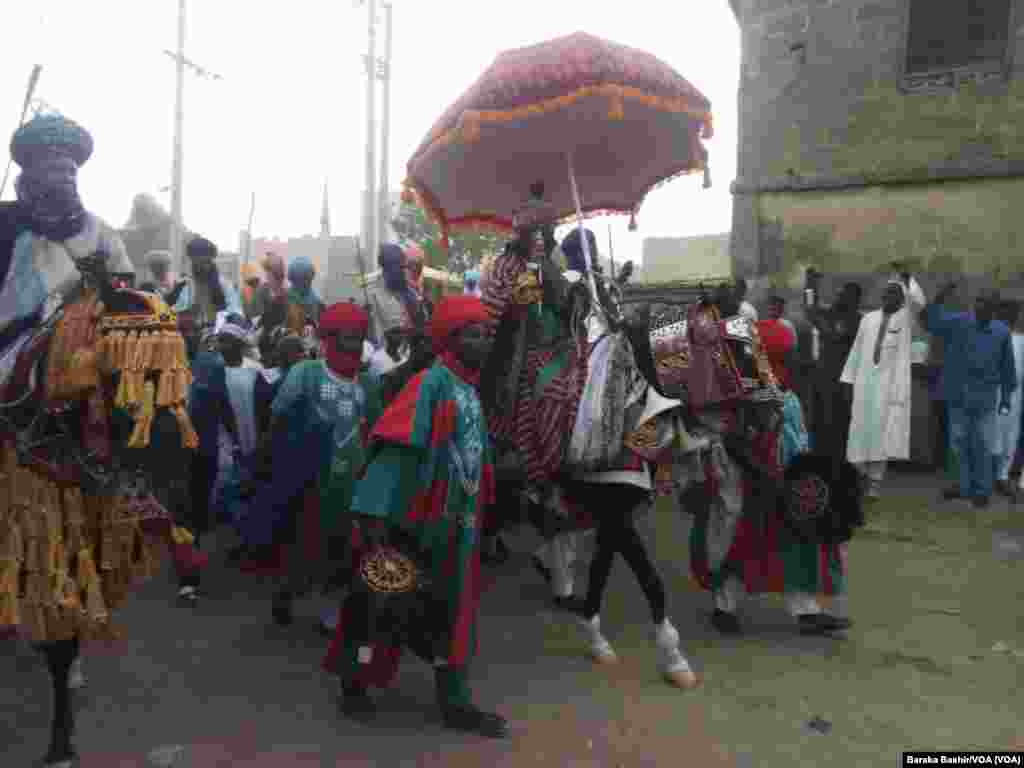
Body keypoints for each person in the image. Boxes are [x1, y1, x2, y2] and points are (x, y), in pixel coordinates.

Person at [323, 295, 508, 738]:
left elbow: (474, 457)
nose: (482, 341)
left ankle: (454, 702)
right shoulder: (430, 384)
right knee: (378, 605)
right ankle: (354, 685)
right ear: (450, 338)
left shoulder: (467, 390)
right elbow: (395, 449)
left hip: (456, 524)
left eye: (485, 333)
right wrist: (374, 516)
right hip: (415, 520)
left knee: (451, 610)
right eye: (472, 333)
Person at [246, 303, 382, 627]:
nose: (353, 344)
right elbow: (278, 419)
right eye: (348, 337)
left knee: (344, 546)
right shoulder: (306, 373)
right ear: (330, 338)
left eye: (359, 337)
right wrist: (265, 464)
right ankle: (288, 590)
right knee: (302, 541)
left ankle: (329, 609)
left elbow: (375, 432)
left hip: (352, 478)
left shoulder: (369, 383)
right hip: (308, 475)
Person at [923, 284, 1016, 508]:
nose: (979, 306)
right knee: (958, 442)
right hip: (958, 395)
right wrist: (939, 297)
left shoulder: (1002, 332)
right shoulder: (959, 322)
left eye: (985, 302)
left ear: (994, 308)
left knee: (983, 444)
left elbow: (1007, 369)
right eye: (978, 301)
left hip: (985, 397)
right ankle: (961, 486)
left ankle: (982, 490)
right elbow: (931, 322)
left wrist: (1005, 397)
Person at [841, 275, 925, 500]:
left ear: (901, 299)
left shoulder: (905, 320)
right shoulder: (868, 319)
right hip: (864, 383)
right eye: (886, 293)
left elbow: (919, 303)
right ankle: (857, 478)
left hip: (888, 386)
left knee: (880, 434)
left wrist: (908, 279)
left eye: (894, 294)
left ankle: (874, 484)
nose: (888, 297)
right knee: (859, 430)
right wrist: (848, 381)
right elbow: (856, 351)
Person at [805, 282, 863, 462]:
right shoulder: (833, 314)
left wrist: (822, 326)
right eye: (838, 293)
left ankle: (841, 460)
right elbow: (811, 310)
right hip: (824, 376)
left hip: (843, 380)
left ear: (853, 298)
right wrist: (811, 284)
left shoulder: (857, 320)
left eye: (843, 294)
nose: (838, 296)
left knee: (839, 420)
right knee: (820, 419)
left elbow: (834, 335)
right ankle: (824, 458)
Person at [173, 237, 242, 359]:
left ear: (209, 263)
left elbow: (235, 314)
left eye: (202, 262)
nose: (198, 266)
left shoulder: (224, 286)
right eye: (194, 262)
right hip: (191, 343)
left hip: (218, 344)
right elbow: (176, 313)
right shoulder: (187, 286)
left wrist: (220, 332)